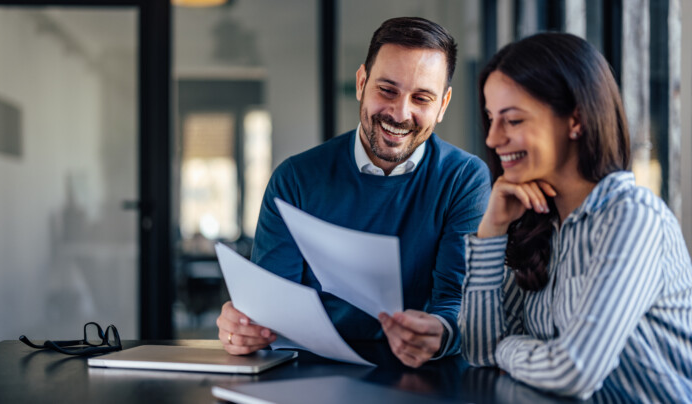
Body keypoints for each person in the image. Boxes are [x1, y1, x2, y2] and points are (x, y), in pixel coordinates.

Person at [216, 16, 490, 367]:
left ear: (443, 105)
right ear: (362, 82)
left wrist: (438, 332)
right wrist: (244, 328)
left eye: (421, 98)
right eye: (387, 90)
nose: (400, 113)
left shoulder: (464, 179)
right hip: (312, 374)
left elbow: (457, 301)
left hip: (427, 375)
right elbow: (272, 307)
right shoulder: (295, 179)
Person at [459, 32, 692, 402]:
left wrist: (507, 348)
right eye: (491, 119)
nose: (492, 138)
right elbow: (477, 349)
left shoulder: (633, 218)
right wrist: (493, 230)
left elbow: (574, 370)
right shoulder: (540, 224)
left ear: (576, 120)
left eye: (513, 120)